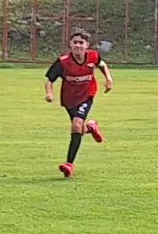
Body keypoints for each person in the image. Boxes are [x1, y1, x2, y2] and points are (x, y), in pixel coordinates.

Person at [41, 29, 114, 177]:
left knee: (75, 125)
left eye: (81, 42)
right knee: (79, 128)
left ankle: (69, 164)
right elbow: (49, 80)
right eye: (75, 42)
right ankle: (91, 128)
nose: (78, 46)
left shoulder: (93, 56)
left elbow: (101, 64)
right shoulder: (63, 62)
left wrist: (108, 79)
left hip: (87, 95)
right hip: (69, 99)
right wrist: (49, 93)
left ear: (87, 45)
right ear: (70, 44)